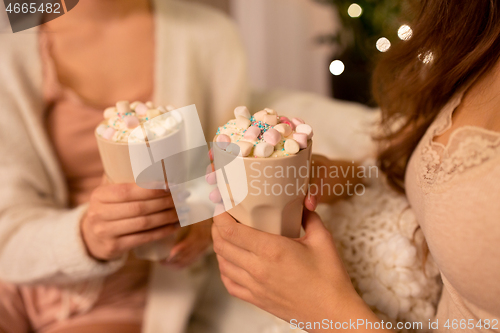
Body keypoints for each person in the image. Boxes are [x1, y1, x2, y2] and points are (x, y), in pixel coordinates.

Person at [211, 1, 500, 332]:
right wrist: (335, 175)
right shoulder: (480, 42)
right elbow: (403, 169)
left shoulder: (213, 35)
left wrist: (325, 311)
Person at [0, 0, 247, 332]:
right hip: (16, 271)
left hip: (128, 291)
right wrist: (87, 235)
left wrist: (206, 224)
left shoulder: (209, 35)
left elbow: (232, 172)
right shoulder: (9, 40)